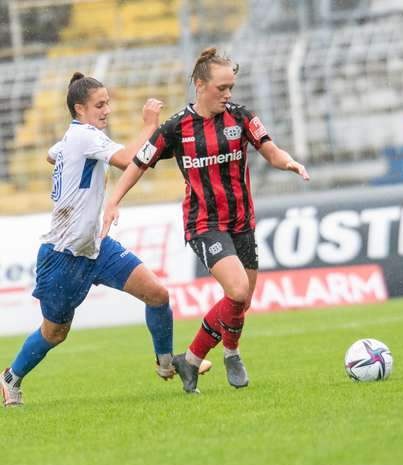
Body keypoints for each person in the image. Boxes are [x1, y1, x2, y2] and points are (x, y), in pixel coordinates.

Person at [101, 48, 310, 393]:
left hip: (242, 220)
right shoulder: (176, 128)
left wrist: (289, 163)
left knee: (241, 302)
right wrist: (114, 201)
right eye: (222, 88)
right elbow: (138, 162)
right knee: (238, 290)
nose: (228, 95)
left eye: (231, 88)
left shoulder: (241, 118)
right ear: (200, 85)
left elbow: (270, 150)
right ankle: (230, 353)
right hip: (204, 222)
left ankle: (193, 360)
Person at [0, 72, 209, 407]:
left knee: (157, 293)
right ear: (79, 109)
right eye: (100, 104)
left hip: (96, 244)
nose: (107, 110)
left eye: (108, 103)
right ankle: (11, 378)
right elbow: (130, 160)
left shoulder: (73, 138)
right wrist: (150, 124)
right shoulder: (83, 137)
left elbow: (51, 155)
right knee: (55, 333)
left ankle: (167, 363)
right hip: (63, 254)